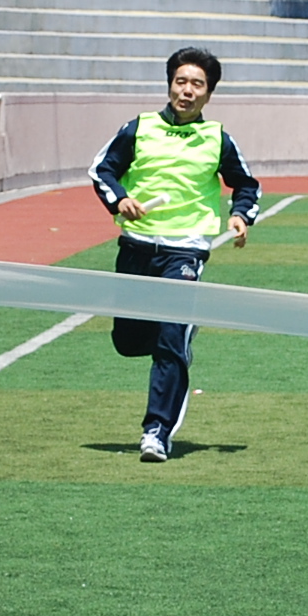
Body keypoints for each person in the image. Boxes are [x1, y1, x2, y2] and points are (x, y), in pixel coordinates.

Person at [89, 46, 262, 462]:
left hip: (185, 252)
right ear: (169, 85)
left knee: (170, 341)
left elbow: (246, 184)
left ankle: (156, 432)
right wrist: (120, 200)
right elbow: (102, 170)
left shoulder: (217, 138)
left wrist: (241, 215)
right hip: (136, 246)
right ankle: (175, 333)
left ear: (209, 93)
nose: (187, 91)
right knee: (129, 341)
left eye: (197, 85)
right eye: (181, 81)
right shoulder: (139, 128)